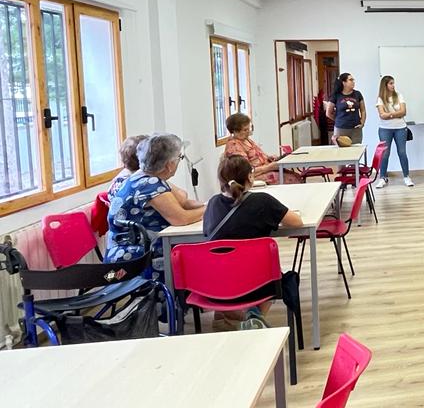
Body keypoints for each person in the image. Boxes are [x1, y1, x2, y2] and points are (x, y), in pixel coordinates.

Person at [203, 155, 303, 330]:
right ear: (250, 177)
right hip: (257, 282)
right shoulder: (262, 201)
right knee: (273, 272)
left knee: (231, 265)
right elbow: (297, 222)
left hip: (216, 283)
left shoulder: (212, 203)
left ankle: (229, 317)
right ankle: (254, 316)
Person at [104, 133, 205, 279]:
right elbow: (181, 219)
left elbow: (183, 202)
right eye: (179, 158)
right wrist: (209, 210)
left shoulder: (144, 176)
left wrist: (214, 203)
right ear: (169, 165)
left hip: (130, 252)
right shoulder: (149, 185)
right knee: (197, 254)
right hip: (132, 261)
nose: (179, 161)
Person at [224, 113, 300, 185]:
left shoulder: (246, 139)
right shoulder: (234, 146)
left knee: (296, 176)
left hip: (265, 169)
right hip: (254, 177)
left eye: (248, 129)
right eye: (245, 130)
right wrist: (269, 167)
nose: (248, 132)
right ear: (235, 131)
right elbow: (245, 172)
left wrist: (268, 158)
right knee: (293, 180)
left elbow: (256, 156)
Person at [375, 75, 413, 188]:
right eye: (390, 83)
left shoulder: (399, 96)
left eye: (393, 83)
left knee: (402, 152)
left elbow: (403, 112)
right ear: (385, 85)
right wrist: (396, 114)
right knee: (385, 154)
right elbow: (382, 115)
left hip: (400, 128)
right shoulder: (380, 99)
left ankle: (406, 177)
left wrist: (389, 114)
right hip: (385, 129)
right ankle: (382, 178)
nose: (393, 85)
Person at [326, 72, 365, 144]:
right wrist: (338, 120)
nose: (353, 82)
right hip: (341, 129)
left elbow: (363, 110)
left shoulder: (357, 94)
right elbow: (328, 113)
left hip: (356, 129)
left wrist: (362, 122)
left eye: (353, 80)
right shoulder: (336, 95)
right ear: (344, 83)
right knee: (342, 149)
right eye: (351, 80)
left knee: (356, 149)